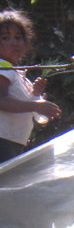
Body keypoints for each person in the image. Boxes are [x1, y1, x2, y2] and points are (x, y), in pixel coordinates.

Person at [0, 8, 60, 163]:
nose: (14, 42)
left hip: (12, 139)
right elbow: (2, 100)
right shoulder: (2, 68)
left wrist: (35, 94)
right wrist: (36, 106)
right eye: (5, 38)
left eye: (18, 37)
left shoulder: (17, 73)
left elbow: (25, 105)